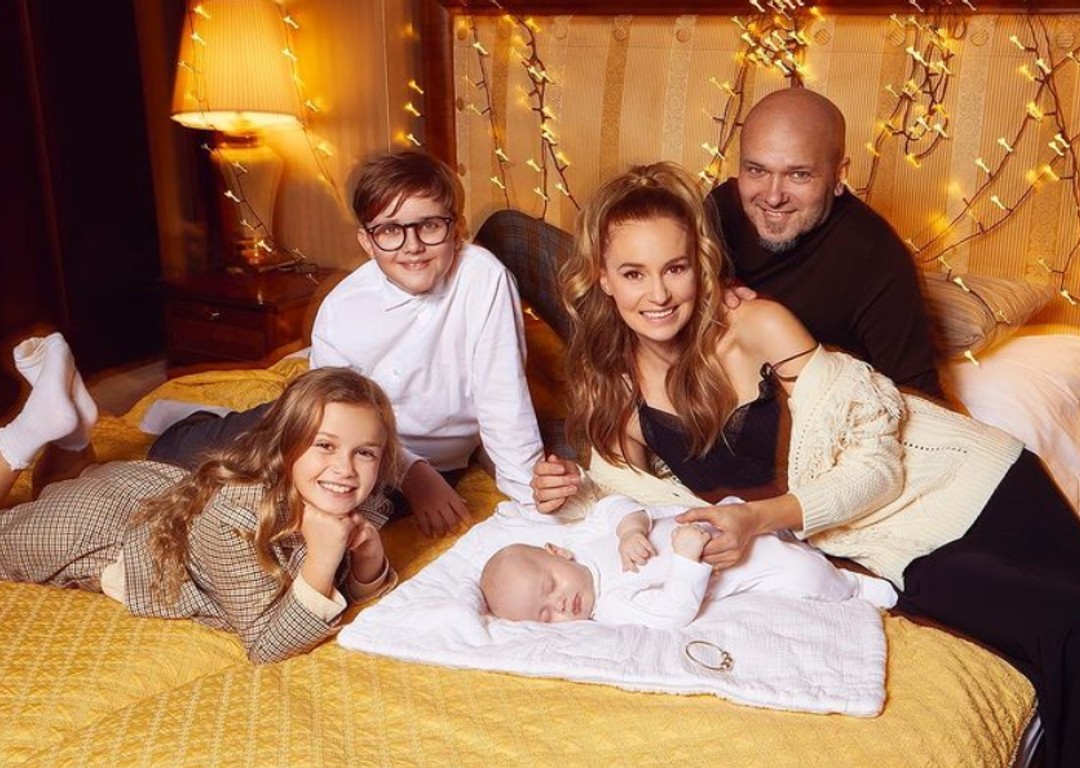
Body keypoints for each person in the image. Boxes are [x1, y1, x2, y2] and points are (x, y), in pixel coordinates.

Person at [534, 161, 1080, 768]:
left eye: (675, 268)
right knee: (1059, 635)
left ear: (701, 265)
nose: (658, 295)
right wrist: (565, 488)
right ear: (603, 278)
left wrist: (758, 519)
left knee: (1069, 627)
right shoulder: (616, 388)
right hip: (890, 548)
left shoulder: (756, 326)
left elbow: (878, 469)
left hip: (974, 486)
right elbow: (625, 493)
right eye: (634, 273)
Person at [148, 150, 545, 537]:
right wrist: (414, 474)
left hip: (385, 458)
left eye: (429, 225)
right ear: (367, 242)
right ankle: (198, 420)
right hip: (331, 429)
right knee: (181, 456)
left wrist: (532, 501)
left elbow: (503, 400)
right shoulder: (343, 306)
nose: (412, 246)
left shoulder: (483, 278)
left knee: (322, 522)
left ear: (456, 229)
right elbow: (328, 418)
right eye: (390, 230)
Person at [477, 88, 943, 399]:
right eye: (756, 170)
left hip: (736, 407)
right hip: (652, 353)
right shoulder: (725, 205)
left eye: (799, 175)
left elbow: (919, 398)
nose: (772, 196)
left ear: (839, 176)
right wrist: (709, 284)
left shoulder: (875, 258)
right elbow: (657, 270)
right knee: (508, 231)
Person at [0, 333, 400, 664]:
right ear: (285, 445)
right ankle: (30, 429)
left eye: (365, 452)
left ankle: (70, 430)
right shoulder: (234, 519)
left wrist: (369, 560)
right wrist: (322, 559)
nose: (345, 468)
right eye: (325, 445)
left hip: (155, 490)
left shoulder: (362, 499)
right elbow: (266, 645)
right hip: (105, 535)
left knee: (63, 483)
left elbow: (338, 591)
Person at [480, 494, 896, 628]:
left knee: (781, 519)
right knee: (805, 574)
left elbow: (614, 505)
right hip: (743, 565)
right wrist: (686, 559)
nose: (560, 604)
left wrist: (629, 530)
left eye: (550, 586)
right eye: (546, 616)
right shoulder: (611, 606)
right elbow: (672, 613)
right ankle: (853, 586)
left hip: (726, 515)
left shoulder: (580, 540)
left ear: (556, 553)